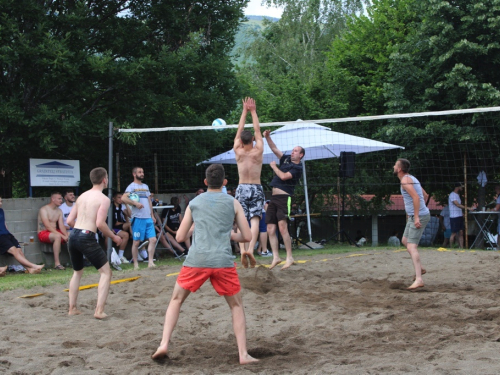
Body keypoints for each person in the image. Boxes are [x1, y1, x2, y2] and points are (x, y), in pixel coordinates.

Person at [151, 164, 258, 365]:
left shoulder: (194, 202)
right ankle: (243, 354)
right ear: (225, 182)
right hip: (222, 261)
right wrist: (229, 234)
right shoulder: (233, 202)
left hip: (197, 260)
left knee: (176, 300)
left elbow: (181, 236)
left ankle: (163, 344)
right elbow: (247, 236)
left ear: (206, 182)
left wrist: (197, 228)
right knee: (236, 306)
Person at [66, 167, 122, 319]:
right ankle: (99, 311)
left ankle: (72, 308)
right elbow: (100, 224)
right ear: (104, 180)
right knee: (106, 272)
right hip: (86, 236)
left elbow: (70, 221)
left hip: (73, 235)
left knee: (77, 272)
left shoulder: (81, 197)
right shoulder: (103, 199)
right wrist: (114, 237)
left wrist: (79, 229)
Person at [263, 130, 304, 270]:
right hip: (273, 198)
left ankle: (289, 257)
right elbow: (274, 149)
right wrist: (267, 137)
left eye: (296, 151)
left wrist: (274, 167)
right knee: (270, 228)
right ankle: (276, 257)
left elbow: (284, 177)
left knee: (282, 228)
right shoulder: (286, 159)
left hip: (284, 197)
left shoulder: (297, 167)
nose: (293, 152)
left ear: (301, 155)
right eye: (292, 150)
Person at [233, 97, 265, 268]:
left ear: (241, 142)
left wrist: (244, 111)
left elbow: (239, 130)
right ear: (252, 140)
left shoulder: (237, 151)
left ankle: (242, 250)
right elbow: (258, 130)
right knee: (254, 219)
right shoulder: (258, 151)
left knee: (240, 221)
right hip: (256, 187)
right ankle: (251, 250)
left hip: (241, 187)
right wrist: (253, 111)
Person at [393, 158, 431, 290]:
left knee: (411, 246)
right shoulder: (411, 178)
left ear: (399, 169)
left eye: (395, 165)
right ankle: (420, 269)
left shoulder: (405, 180)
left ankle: (419, 279)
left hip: (418, 216)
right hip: (417, 214)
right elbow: (425, 195)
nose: (393, 166)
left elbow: (416, 197)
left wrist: (416, 217)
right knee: (405, 240)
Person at [122, 167, 157, 269]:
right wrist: (135, 203)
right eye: (140, 172)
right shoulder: (131, 187)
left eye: (143, 172)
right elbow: (124, 198)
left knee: (153, 240)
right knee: (136, 242)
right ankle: (136, 264)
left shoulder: (145, 186)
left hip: (148, 218)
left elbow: (149, 201)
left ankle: (150, 262)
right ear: (134, 174)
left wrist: (152, 215)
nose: (142, 174)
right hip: (138, 218)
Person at [0, 196, 44, 275]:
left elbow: (4, 223)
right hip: (0, 237)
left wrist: (8, 233)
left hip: (7, 234)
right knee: (14, 251)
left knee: (19, 250)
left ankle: (29, 269)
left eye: (1, 201)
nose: (1, 203)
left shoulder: (1, 211)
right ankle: (33, 266)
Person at [38, 192, 69, 270]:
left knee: (71, 235)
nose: (61, 200)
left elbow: (61, 226)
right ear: (53, 199)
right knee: (58, 236)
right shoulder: (44, 209)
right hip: (43, 232)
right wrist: (62, 236)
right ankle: (57, 264)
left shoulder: (59, 211)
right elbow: (47, 226)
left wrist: (66, 235)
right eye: (59, 198)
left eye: (61, 198)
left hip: (55, 231)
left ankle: (76, 260)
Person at [110, 191, 131, 263]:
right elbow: (115, 223)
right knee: (128, 230)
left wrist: (126, 204)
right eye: (119, 197)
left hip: (120, 227)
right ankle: (136, 240)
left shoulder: (122, 207)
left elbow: (130, 215)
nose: (120, 199)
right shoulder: (111, 208)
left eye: (122, 198)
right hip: (113, 228)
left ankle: (121, 255)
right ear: (114, 199)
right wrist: (125, 223)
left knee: (130, 226)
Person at [449, 182, 471, 249]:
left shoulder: (457, 195)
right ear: (458, 187)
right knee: (454, 233)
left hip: (459, 216)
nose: (462, 188)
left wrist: (461, 213)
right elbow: (457, 205)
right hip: (454, 217)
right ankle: (451, 247)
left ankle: (461, 247)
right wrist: (467, 208)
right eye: (461, 187)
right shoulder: (452, 195)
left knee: (461, 232)